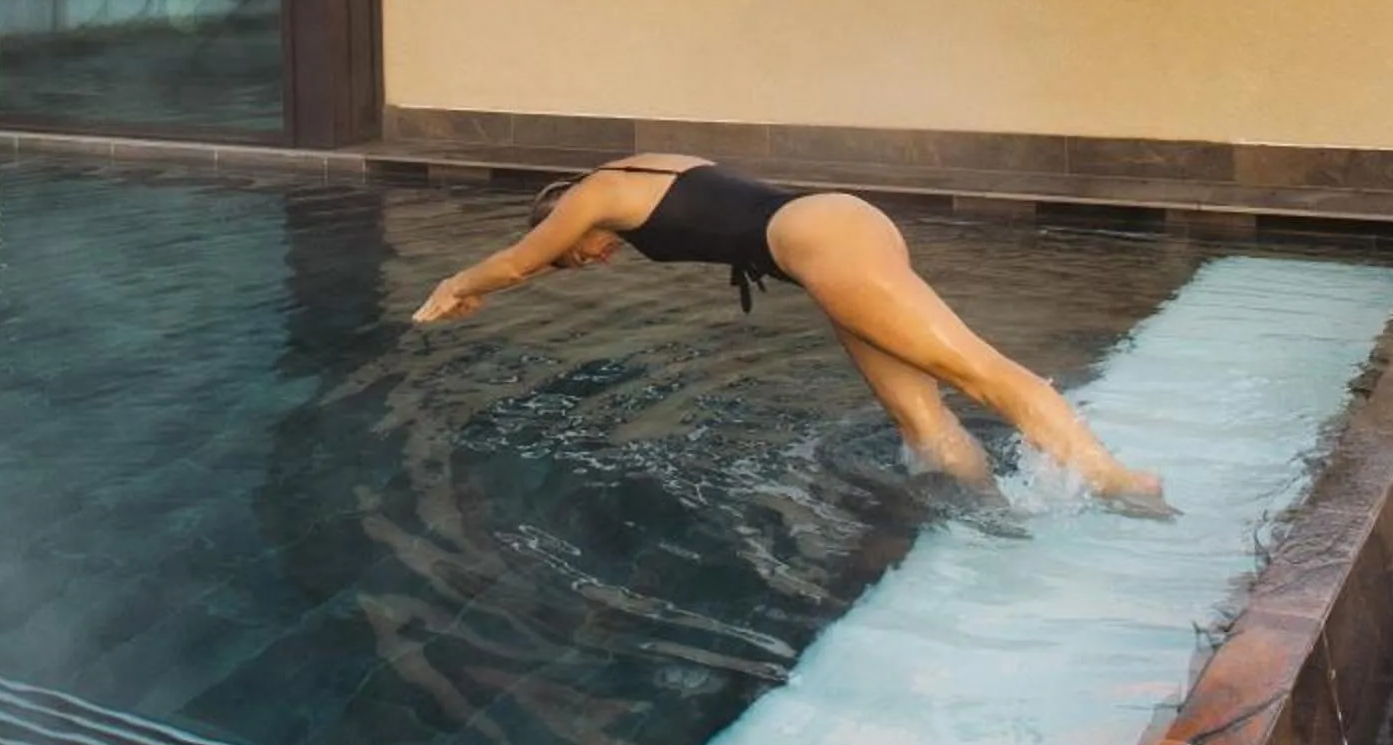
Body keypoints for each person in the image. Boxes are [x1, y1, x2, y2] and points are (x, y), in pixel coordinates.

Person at [411, 155, 1165, 505]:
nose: (589, 259)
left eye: (574, 254)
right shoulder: (644, 169)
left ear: (561, 217)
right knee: (917, 417)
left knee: (976, 371)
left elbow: (517, 264)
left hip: (818, 238)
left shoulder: (596, 192)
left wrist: (455, 285)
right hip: (828, 233)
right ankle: (983, 511)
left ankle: (1112, 479)